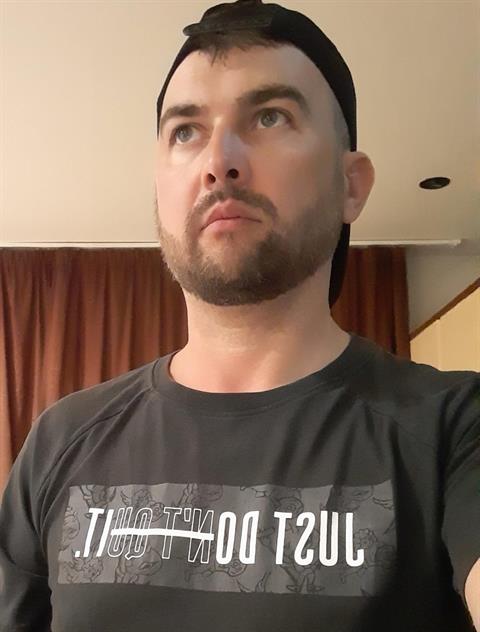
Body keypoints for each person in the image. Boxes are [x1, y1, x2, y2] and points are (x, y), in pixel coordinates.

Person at [1, 1, 479, 630]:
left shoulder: (455, 428)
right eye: (185, 131)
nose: (217, 161)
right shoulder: (59, 440)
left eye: (270, 116)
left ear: (351, 185)